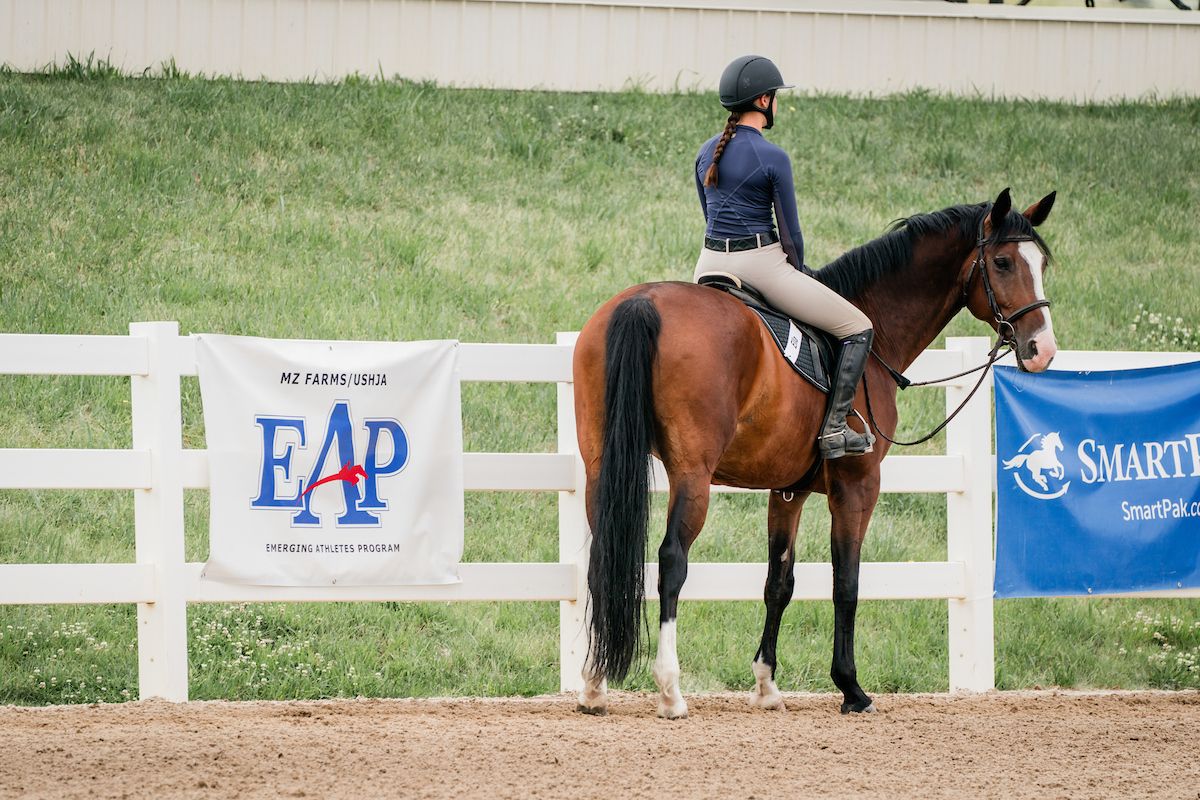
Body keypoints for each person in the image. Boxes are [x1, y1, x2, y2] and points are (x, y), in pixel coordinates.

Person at [693, 54, 876, 459]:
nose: (777, 104)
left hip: (707, 265)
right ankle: (833, 430)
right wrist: (802, 273)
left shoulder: (706, 153)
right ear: (763, 102)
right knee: (858, 326)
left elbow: (709, 217)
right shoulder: (773, 157)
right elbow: (791, 237)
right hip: (761, 266)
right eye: (774, 97)